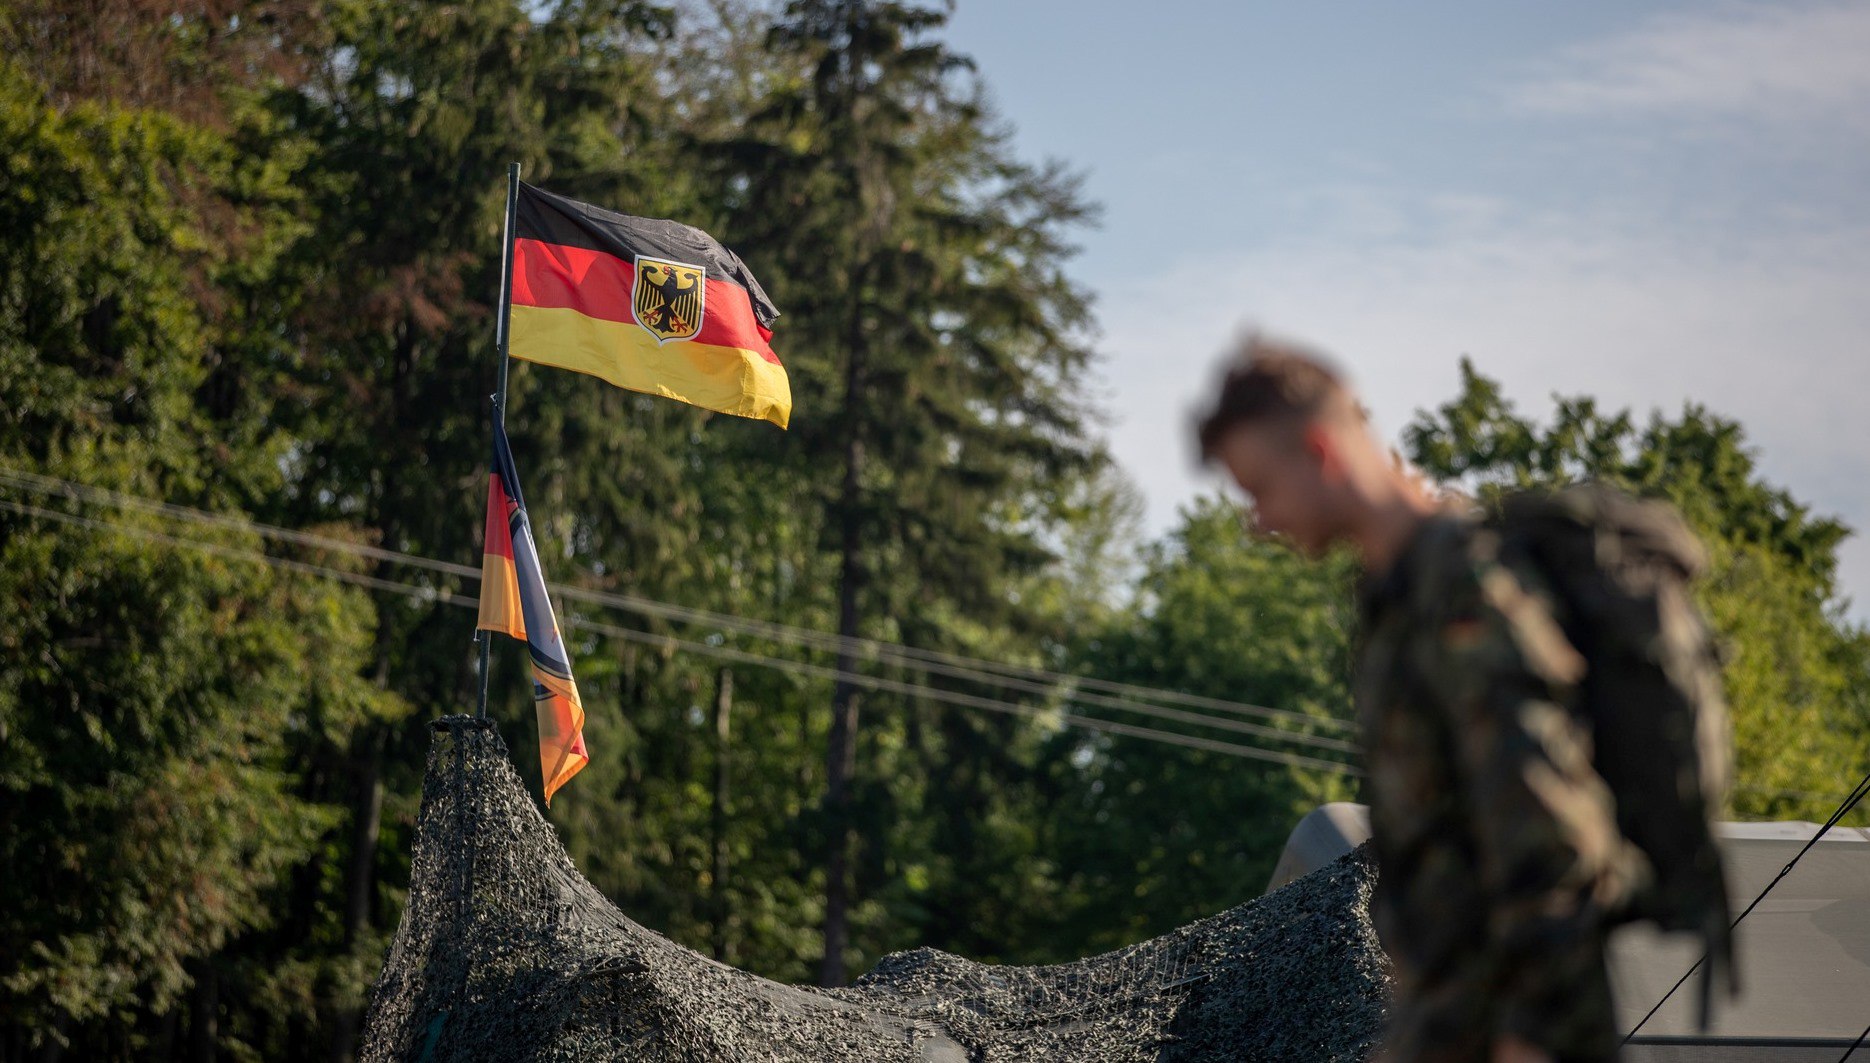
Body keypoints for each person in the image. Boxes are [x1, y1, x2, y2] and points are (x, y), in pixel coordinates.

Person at [1197, 336, 1652, 1063]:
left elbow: (1550, 835)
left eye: (1259, 488)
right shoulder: (1394, 594)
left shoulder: (1463, 585)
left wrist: (1526, 1038)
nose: (1258, 519)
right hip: (1445, 1013)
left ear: (1319, 449)